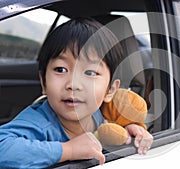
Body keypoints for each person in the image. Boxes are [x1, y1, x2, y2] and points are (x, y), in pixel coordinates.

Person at [0, 18, 153, 168]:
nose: (73, 84)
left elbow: (110, 130)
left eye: (90, 72)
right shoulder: (39, 123)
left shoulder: (101, 112)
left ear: (110, 90)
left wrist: (132, 130)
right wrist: (68, 150)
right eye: (61, 69)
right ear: (43, 82)